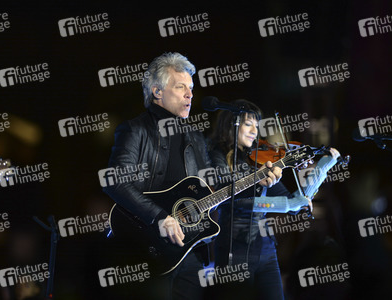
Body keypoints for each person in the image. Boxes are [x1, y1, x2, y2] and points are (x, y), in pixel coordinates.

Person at [103, 53, 280, 300]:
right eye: (180, 87)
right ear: (157, 92)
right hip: (146, 248)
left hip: (189, 251)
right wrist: (160, 217)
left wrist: (256, 180)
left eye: (191, 88)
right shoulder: (136, 130)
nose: (190, 94)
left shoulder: (195, 137)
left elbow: (214, 188)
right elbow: (116, 181)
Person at [208, 99, 340, 299]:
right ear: (231, 125)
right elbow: (226, 199)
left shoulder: (259, 159)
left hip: (266, 249)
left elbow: (294, 203)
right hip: (234, 249)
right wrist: (284, 202)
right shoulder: (218, 156)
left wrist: (322, 168)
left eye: (257, 125)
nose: (254, 130)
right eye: (248, 123)